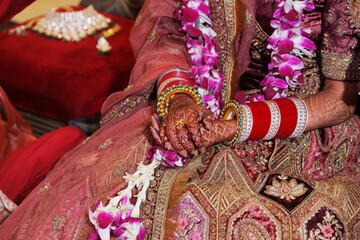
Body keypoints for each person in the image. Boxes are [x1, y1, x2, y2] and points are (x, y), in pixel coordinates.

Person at [1, 0, 360, 239]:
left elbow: (340, 101)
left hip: (301, 126)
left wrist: (233, 126)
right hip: (201, 96)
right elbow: (168, 35)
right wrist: (178, 98)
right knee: (99, 189)